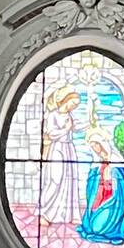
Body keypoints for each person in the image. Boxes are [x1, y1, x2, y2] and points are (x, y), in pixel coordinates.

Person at [77, 129, 124, 245]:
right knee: (90, 226)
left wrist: (111, 181)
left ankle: (118, 224)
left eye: (96, 145)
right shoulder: (97, 164)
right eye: (92, 147)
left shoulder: (116, 162)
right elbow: (91, 187)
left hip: (113, 203)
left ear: (102, 144)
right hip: (98, 201)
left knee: (97, 228)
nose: (95, 149)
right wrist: (97, 179)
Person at [38, 85, 81, 225]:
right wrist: (65, 129)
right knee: (55, 180)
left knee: (70, 180)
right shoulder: (53, 115)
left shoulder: (69, 116)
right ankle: (45, 213)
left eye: (75, 106)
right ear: (66, 100)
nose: (73, 107)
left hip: (69, 148)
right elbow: (51, 134)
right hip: (57, 149)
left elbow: (74, 130)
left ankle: (70, 214)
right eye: (73, 103)